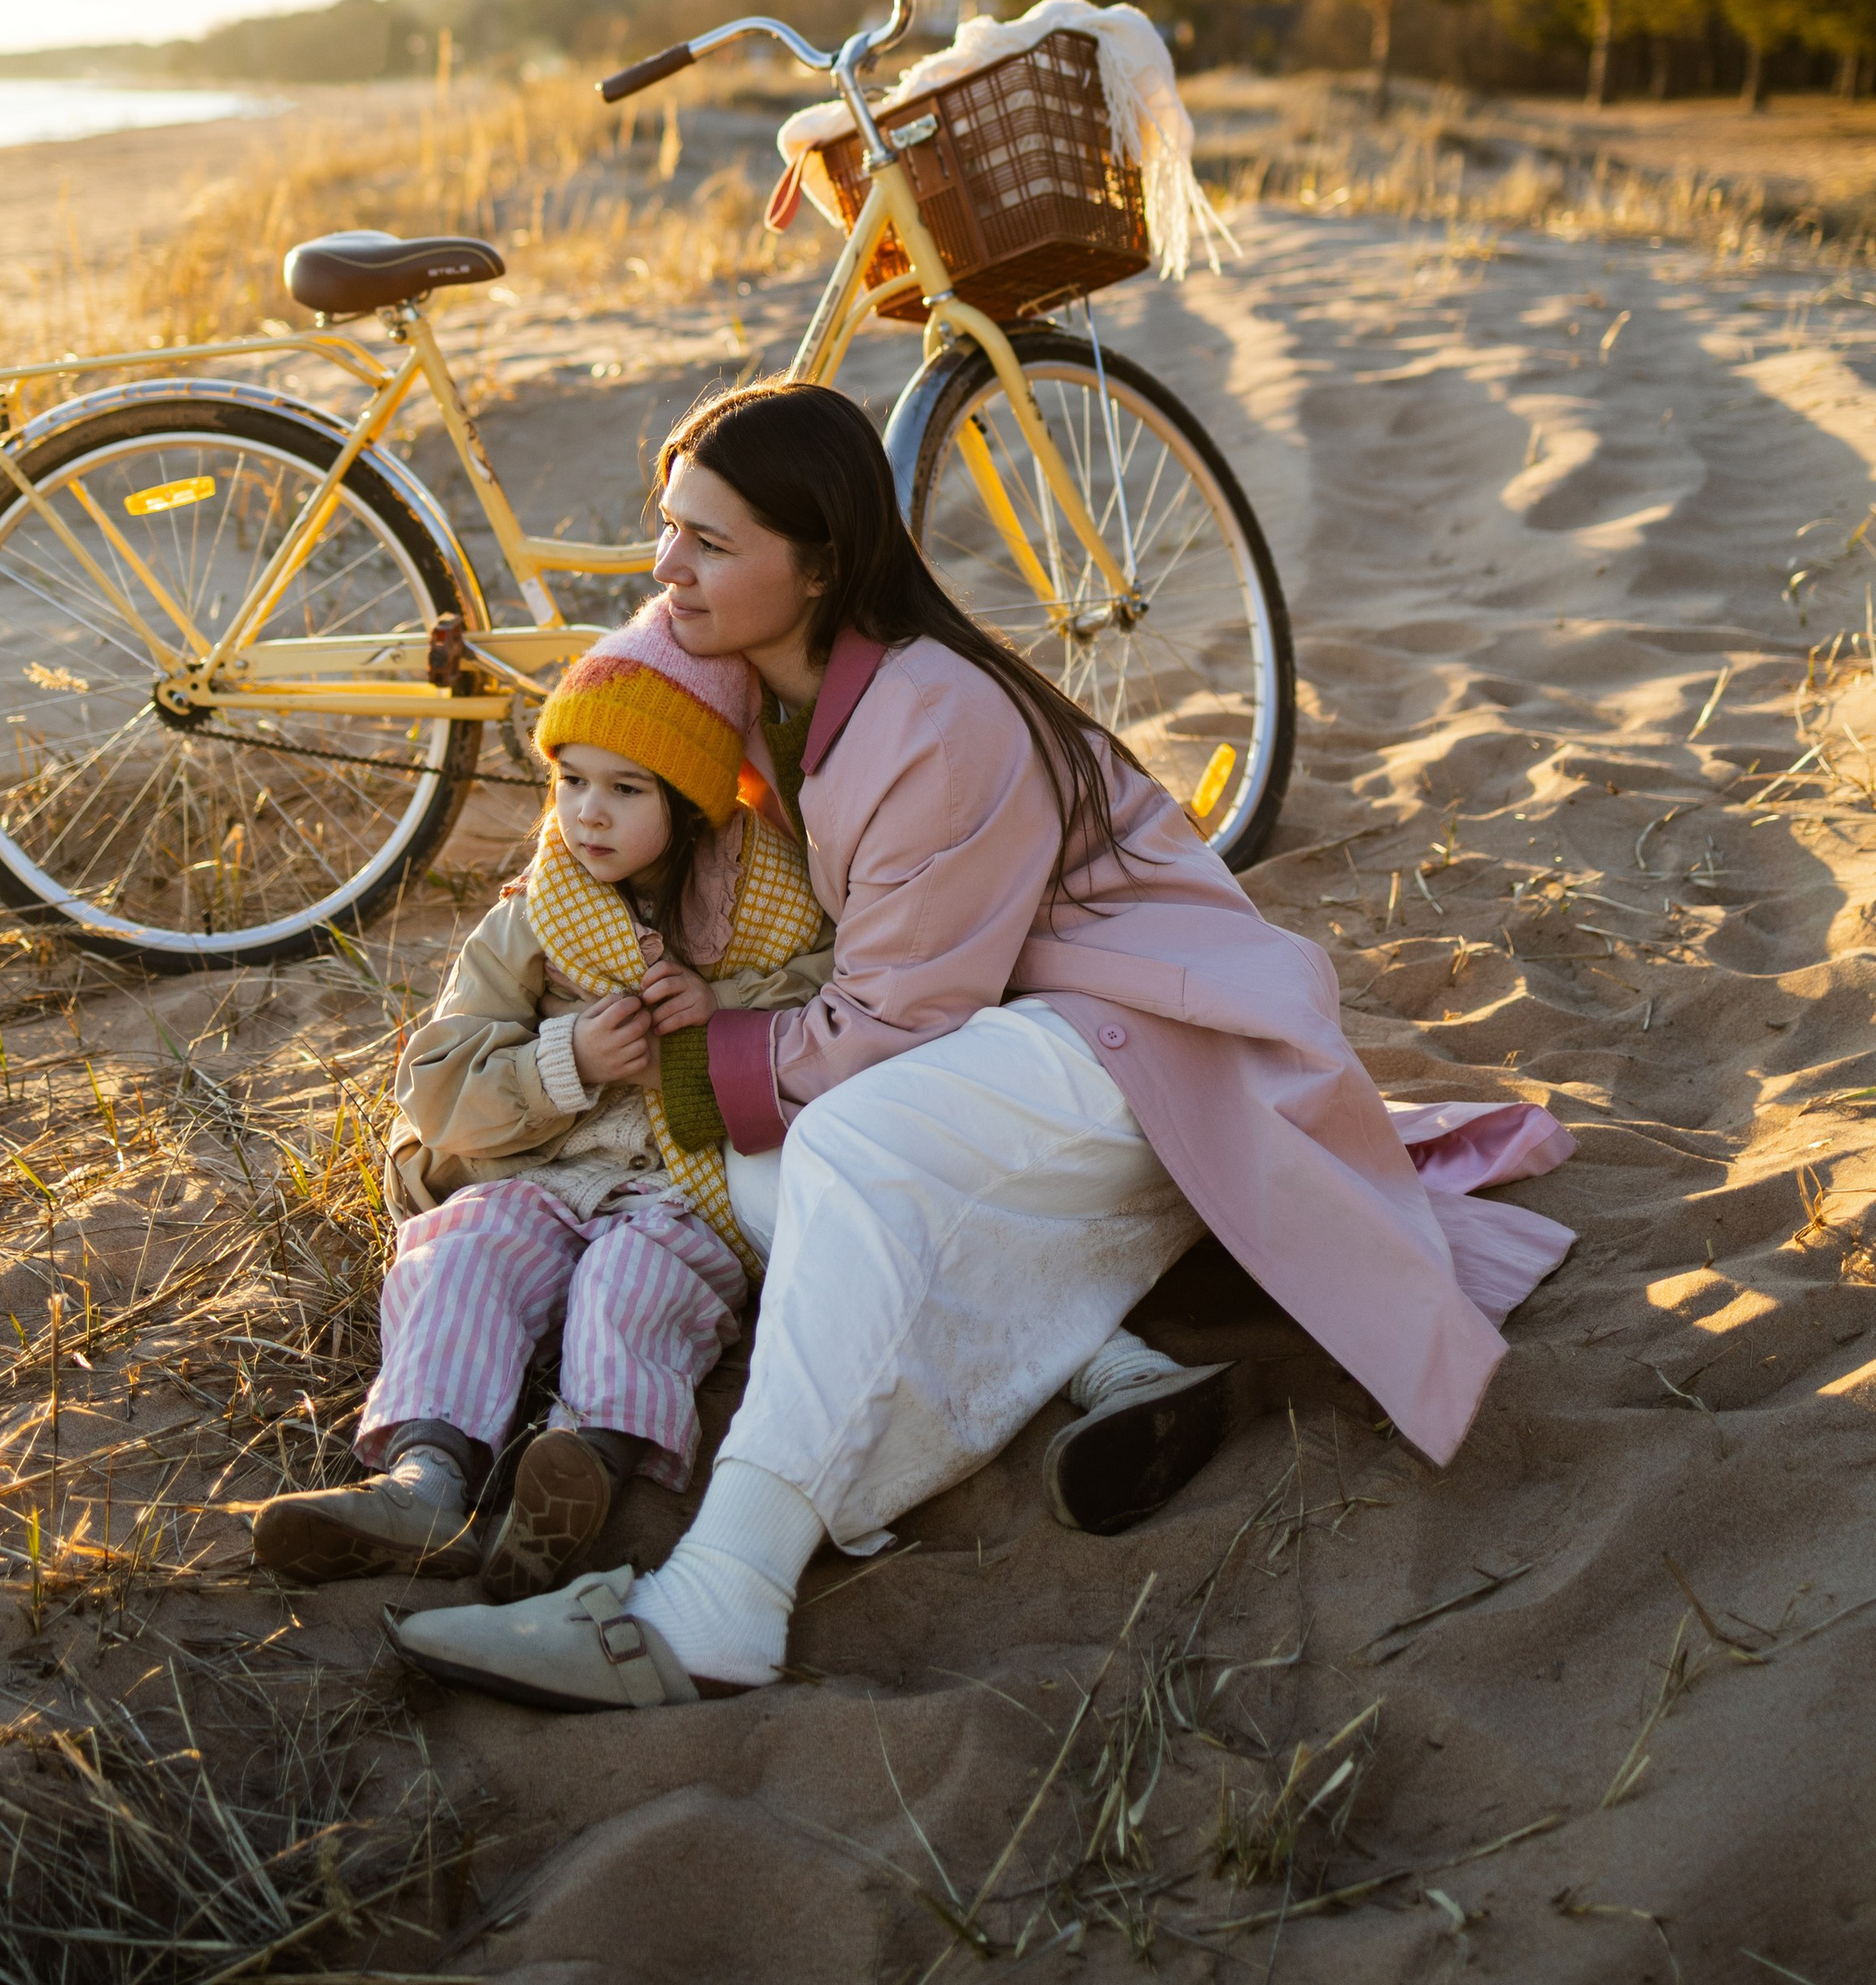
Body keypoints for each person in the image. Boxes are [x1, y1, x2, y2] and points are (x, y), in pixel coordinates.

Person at [389, 378, 1574, 1711]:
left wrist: (689, 1062)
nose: (668, 567)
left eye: (711, 543)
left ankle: (721, 1593)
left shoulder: (931, 714)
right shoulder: (760, 683)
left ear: (823, 561)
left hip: (1159, 1032)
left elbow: (892, 1025)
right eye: (668, 527)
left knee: (829, 1136)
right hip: (1021, 1044)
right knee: (775, 1180)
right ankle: (1087, 1362)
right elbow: (668, 811)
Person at [253, 608, 830, 1599]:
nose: (588, 814)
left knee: (636, 1287)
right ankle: (428, 1475)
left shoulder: (770, 907)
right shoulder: (535, 914)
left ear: (692, 802)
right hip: (538, 1169)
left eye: (625, 788)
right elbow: (436, 1085)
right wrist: (566, 1056)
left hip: (675, 1193)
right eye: (570, 782)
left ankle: (580, 1471)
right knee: (463, 1254)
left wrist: (720, 1008)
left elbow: (834, 999)